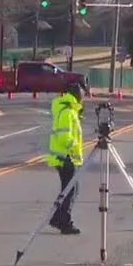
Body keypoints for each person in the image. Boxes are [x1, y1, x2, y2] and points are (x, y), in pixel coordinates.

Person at [47, 82, 85, 235]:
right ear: (77, 96)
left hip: (65, 157)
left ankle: (58, 218)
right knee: (70, 190)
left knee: (68, 189)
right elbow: (64, 137)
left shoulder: (68, 109)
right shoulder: (68, 111)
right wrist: (75, 147)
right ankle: (64, 222)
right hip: (65, 157)